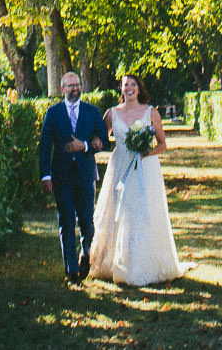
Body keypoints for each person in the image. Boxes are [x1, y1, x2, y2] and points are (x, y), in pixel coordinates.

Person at [87, 73, 183, 286]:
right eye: (125, 85)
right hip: (120, 166)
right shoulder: (111, 113)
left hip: (145, 167)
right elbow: (102, 139)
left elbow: (162, 144)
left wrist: (144, 152)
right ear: (121, 89)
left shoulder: (151, 112)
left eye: (133, 84)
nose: (129, 88)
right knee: (119, 211)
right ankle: (114, 263)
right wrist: (93, 140)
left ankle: (142, 265)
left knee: (142, 211)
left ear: (139, 88)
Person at [37, 70, 111, 283]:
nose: (75, 88)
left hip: (85, 175)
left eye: (77, 84)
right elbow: (44, 147)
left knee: (87, 221)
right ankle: (71, 271)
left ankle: (85, 253)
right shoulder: (53, 113)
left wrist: (86, 145)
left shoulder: (91, 111)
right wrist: (45, 176)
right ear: (62, 89)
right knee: (66, 222)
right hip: (61, 176)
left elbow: (104, 142)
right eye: (70, 85)